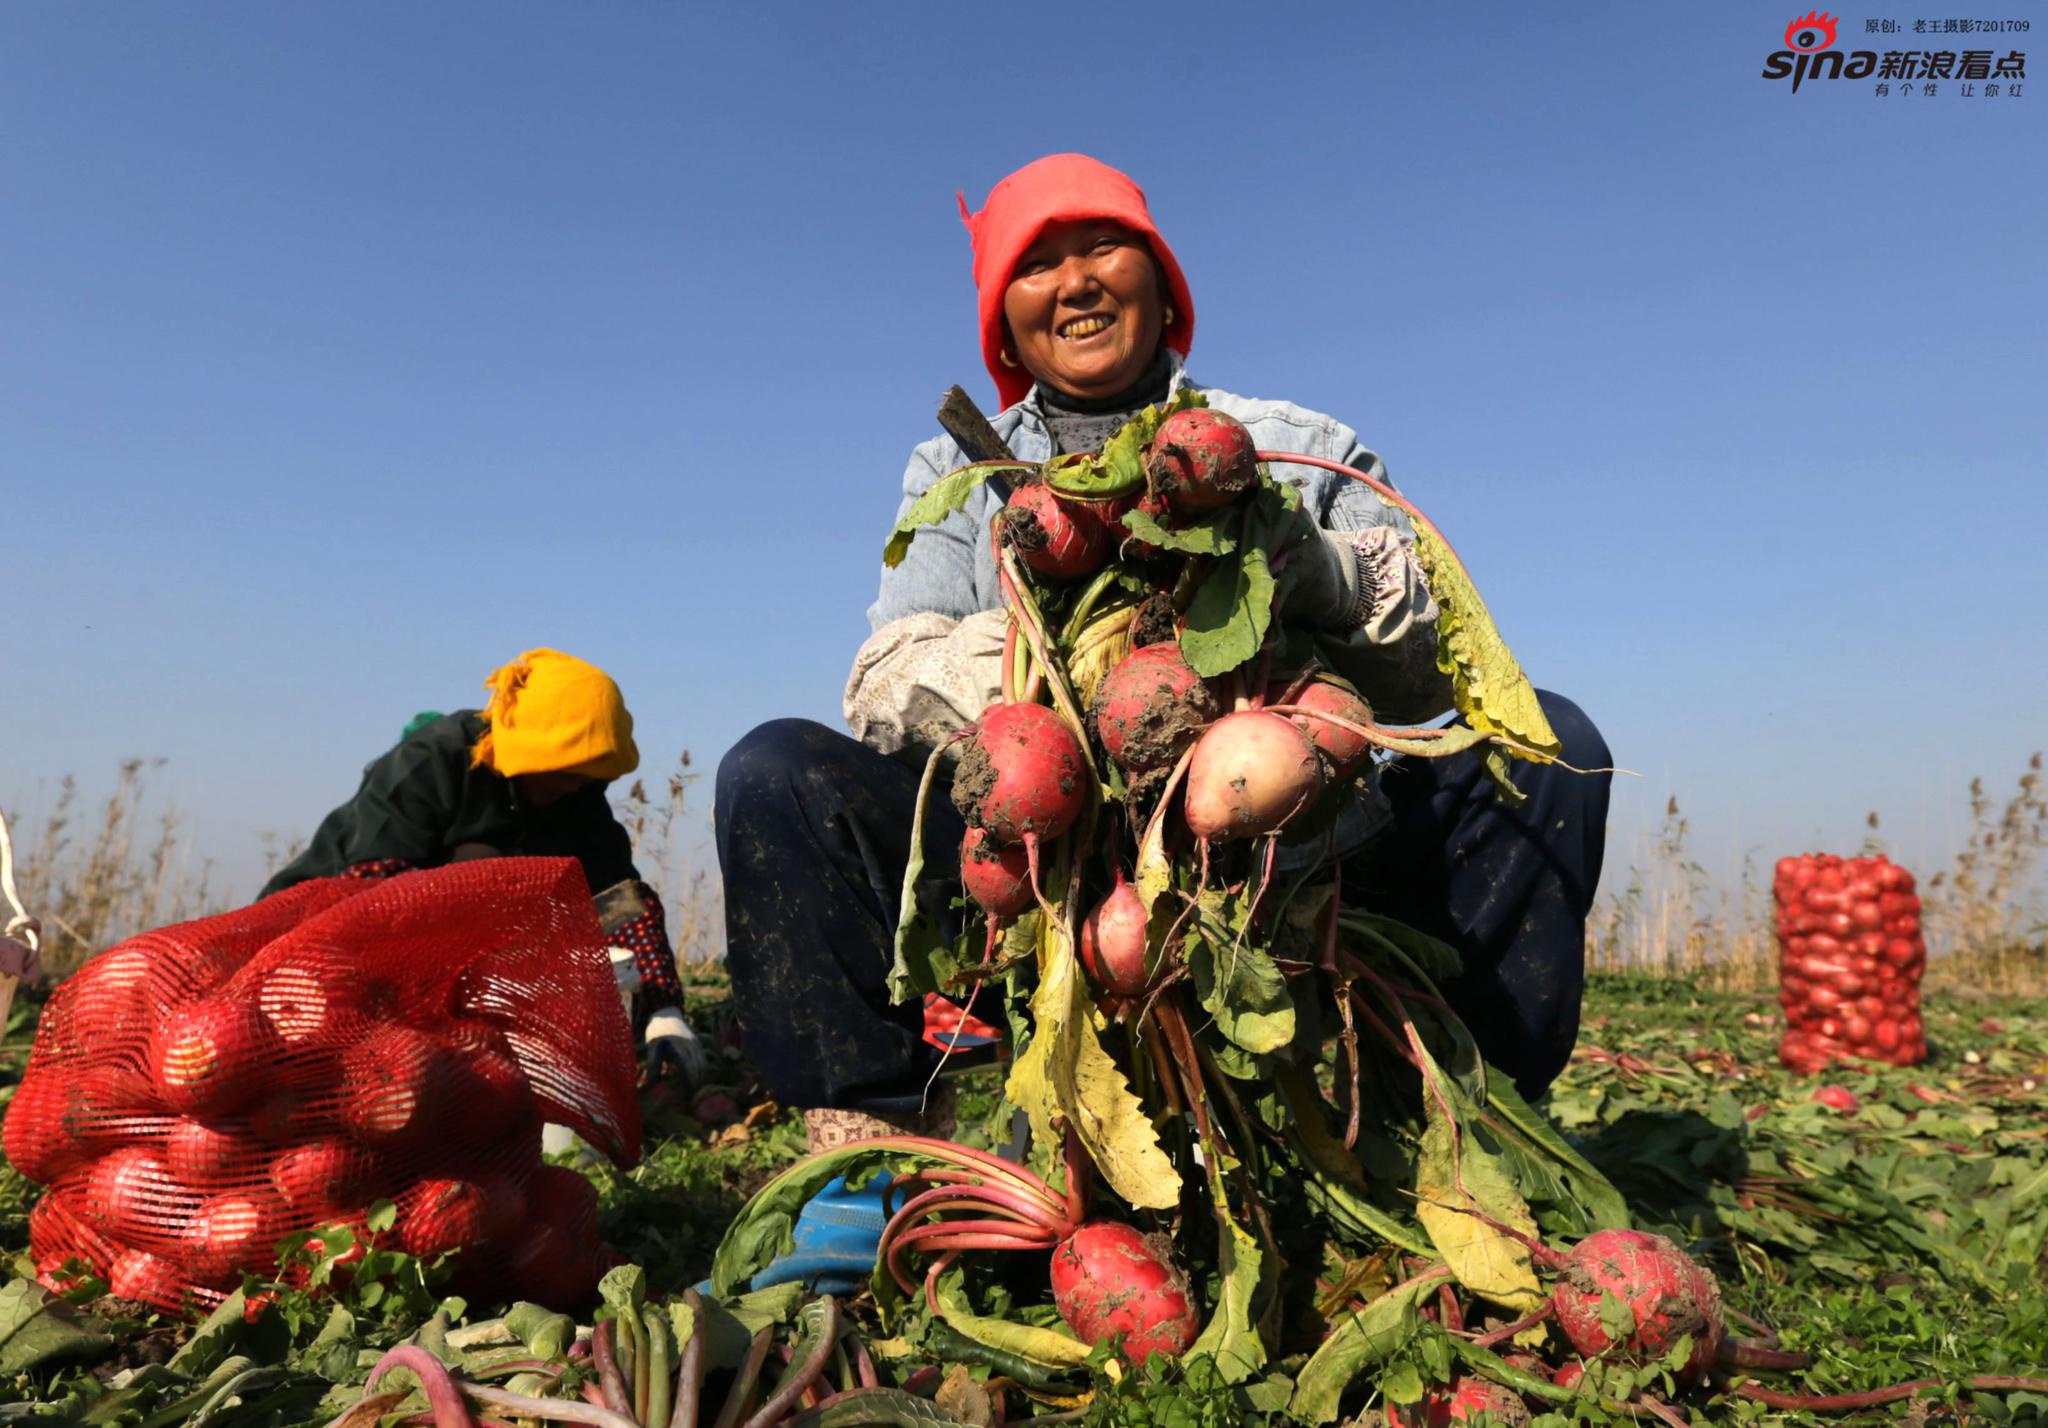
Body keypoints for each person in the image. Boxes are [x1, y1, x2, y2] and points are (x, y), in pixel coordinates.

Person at [714, 153, 1610, 1286]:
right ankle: (872, 1168)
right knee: (778, 774)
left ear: (1160, 279)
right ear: (1003, 315)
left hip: (1297, 850)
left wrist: (1315, 572)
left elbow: (1435, 664)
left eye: (1101, 247)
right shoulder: (956, 462)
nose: (1074, 282)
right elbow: (886, 675)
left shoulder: (1288, 440)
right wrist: (1067, 679)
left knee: (1552, 750)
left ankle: (1478, 1138)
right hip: (1048, 861)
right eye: (1035, 264)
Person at [263, 648, 700, 1079]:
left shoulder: (578, 795)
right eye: (564, 772)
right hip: (315, 946)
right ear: (532, 751)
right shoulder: (434, 761)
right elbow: (371, 892)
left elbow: (620, 902)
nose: (573, 786)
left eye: (587, 776)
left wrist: (663, 1010)